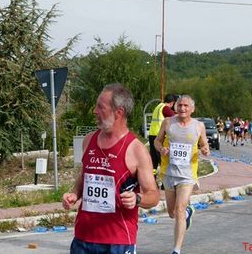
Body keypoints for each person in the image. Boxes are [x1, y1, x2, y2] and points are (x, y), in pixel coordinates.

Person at [62, 83, 160, 254]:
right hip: (83, 237)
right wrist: (74, 194)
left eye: (101, 107)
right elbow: (85, 174)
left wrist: (137, 199)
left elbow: (153, 195)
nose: (95, 111)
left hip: (118, 240)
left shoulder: (136, 149)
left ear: (118, 113)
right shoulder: (89, 140)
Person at [154, 95, 210, 254]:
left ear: (192, 109)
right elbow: (157, 141)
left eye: (186, 106)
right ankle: (188, 213)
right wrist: (161, 149)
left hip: (187, 174)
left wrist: (205, 150)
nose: (182, 108)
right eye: (180, 105)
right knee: (172, 213)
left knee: (178, 209)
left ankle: (176, 250)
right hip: (168, 172)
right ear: (175, 107)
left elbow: (204, 144)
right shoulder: (168, 122)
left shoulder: (199, 126)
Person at [148, 93, 178, 178]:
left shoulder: (158, 106)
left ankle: (152, 180)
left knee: (154, 159)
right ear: (172, 102)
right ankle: (164, 182)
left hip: (152, 134)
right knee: (162, 159)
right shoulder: (165, 108)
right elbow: (174, 117)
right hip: (159, 136)